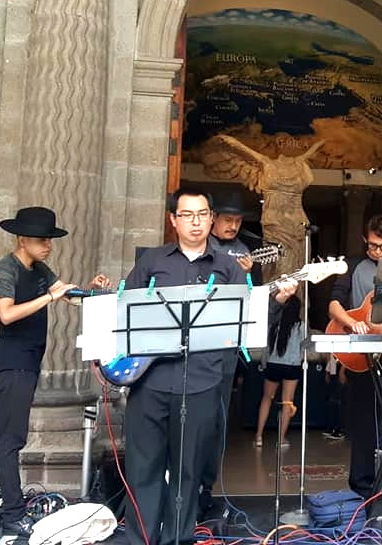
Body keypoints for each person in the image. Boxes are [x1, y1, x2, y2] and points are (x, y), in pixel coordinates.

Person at [123, 186, 296, 545]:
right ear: (173, 220)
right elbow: (124, 314)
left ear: (211, 219)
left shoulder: (229, 268)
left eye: (202, 214)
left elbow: (247, 324)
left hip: (202, 382)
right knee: (144, 469)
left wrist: (276, 302)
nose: (196, 222)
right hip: (149, 382)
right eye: (187, 215)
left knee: (188, 472)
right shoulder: (152, 262)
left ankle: (178, 539)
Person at [0, 207, 109, 538]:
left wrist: (91, 289)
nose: (48, 245)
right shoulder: (6, 270)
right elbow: (7, 314)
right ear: (22, 239)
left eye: (49, 239)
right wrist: (48, 297)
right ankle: (14, 515)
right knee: (11, 440)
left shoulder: (39, 267)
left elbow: (68, 296)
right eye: (42, 240)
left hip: (27, 362)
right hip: (12, 363)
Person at [199, 189, 263, 516]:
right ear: (213, 220)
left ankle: (206, 488)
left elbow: (256, 299)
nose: (233, 226)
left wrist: (248, 274)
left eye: (238, 221)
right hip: (196, 345)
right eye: (228, 220)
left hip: (225, 346)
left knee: (218, 419)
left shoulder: (245, 253)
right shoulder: (200, 247)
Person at [326, 214, 382, 499]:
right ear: (364, 239)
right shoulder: (353, 265)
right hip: (360, 353)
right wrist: (350, 321)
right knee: (362, 421)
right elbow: (334, 304)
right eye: (372, 245)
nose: (377, 251)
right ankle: (362, 487)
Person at [254, 294, 303, 447]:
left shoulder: (273, 324)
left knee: (267, 398)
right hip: (292, 365)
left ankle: (258, 436)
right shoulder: (301, 326)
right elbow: (304, 347)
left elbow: (265, 346)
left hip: (273, 363)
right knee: (287, 402)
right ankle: (281, 439)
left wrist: (264, 363)